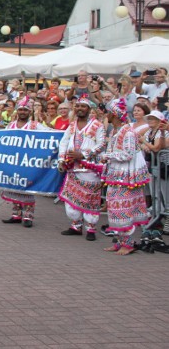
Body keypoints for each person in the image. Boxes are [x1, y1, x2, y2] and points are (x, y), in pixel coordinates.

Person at [99, 98, 151, 255]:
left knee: (123, 208)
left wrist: (108, 155)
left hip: (125, 177)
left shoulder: (127, 133)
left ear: (115, 115)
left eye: (109, 113)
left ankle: (128, 244)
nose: (107, 115)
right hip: (117, 175)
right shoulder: (116, 132)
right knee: (115, 206)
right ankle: (120, 241)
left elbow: (128, 154)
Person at [57, 96, 107, 241]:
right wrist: (61, 159)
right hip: (72, 168)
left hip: (90, 169)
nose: (80, 109)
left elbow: (101, 144)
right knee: (71, 198)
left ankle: (90, 228)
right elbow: (64, 142)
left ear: (89, 109)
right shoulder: (72, 125)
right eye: (77, 106)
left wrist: (83, 154)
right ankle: (76, 226)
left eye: (83, 107)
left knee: (90, 199)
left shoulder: (97, 125)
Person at [1, 97, 46, 228]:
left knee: (27, 188)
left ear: (29, 112)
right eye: (20, 109)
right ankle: (16, 214)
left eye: (25, 110)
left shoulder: (35, 125)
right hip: (13, 161)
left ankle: (28, 216)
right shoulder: (10, 125)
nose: (22, 112)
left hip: (28, 161)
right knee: (14, 186)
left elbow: (49, 136)